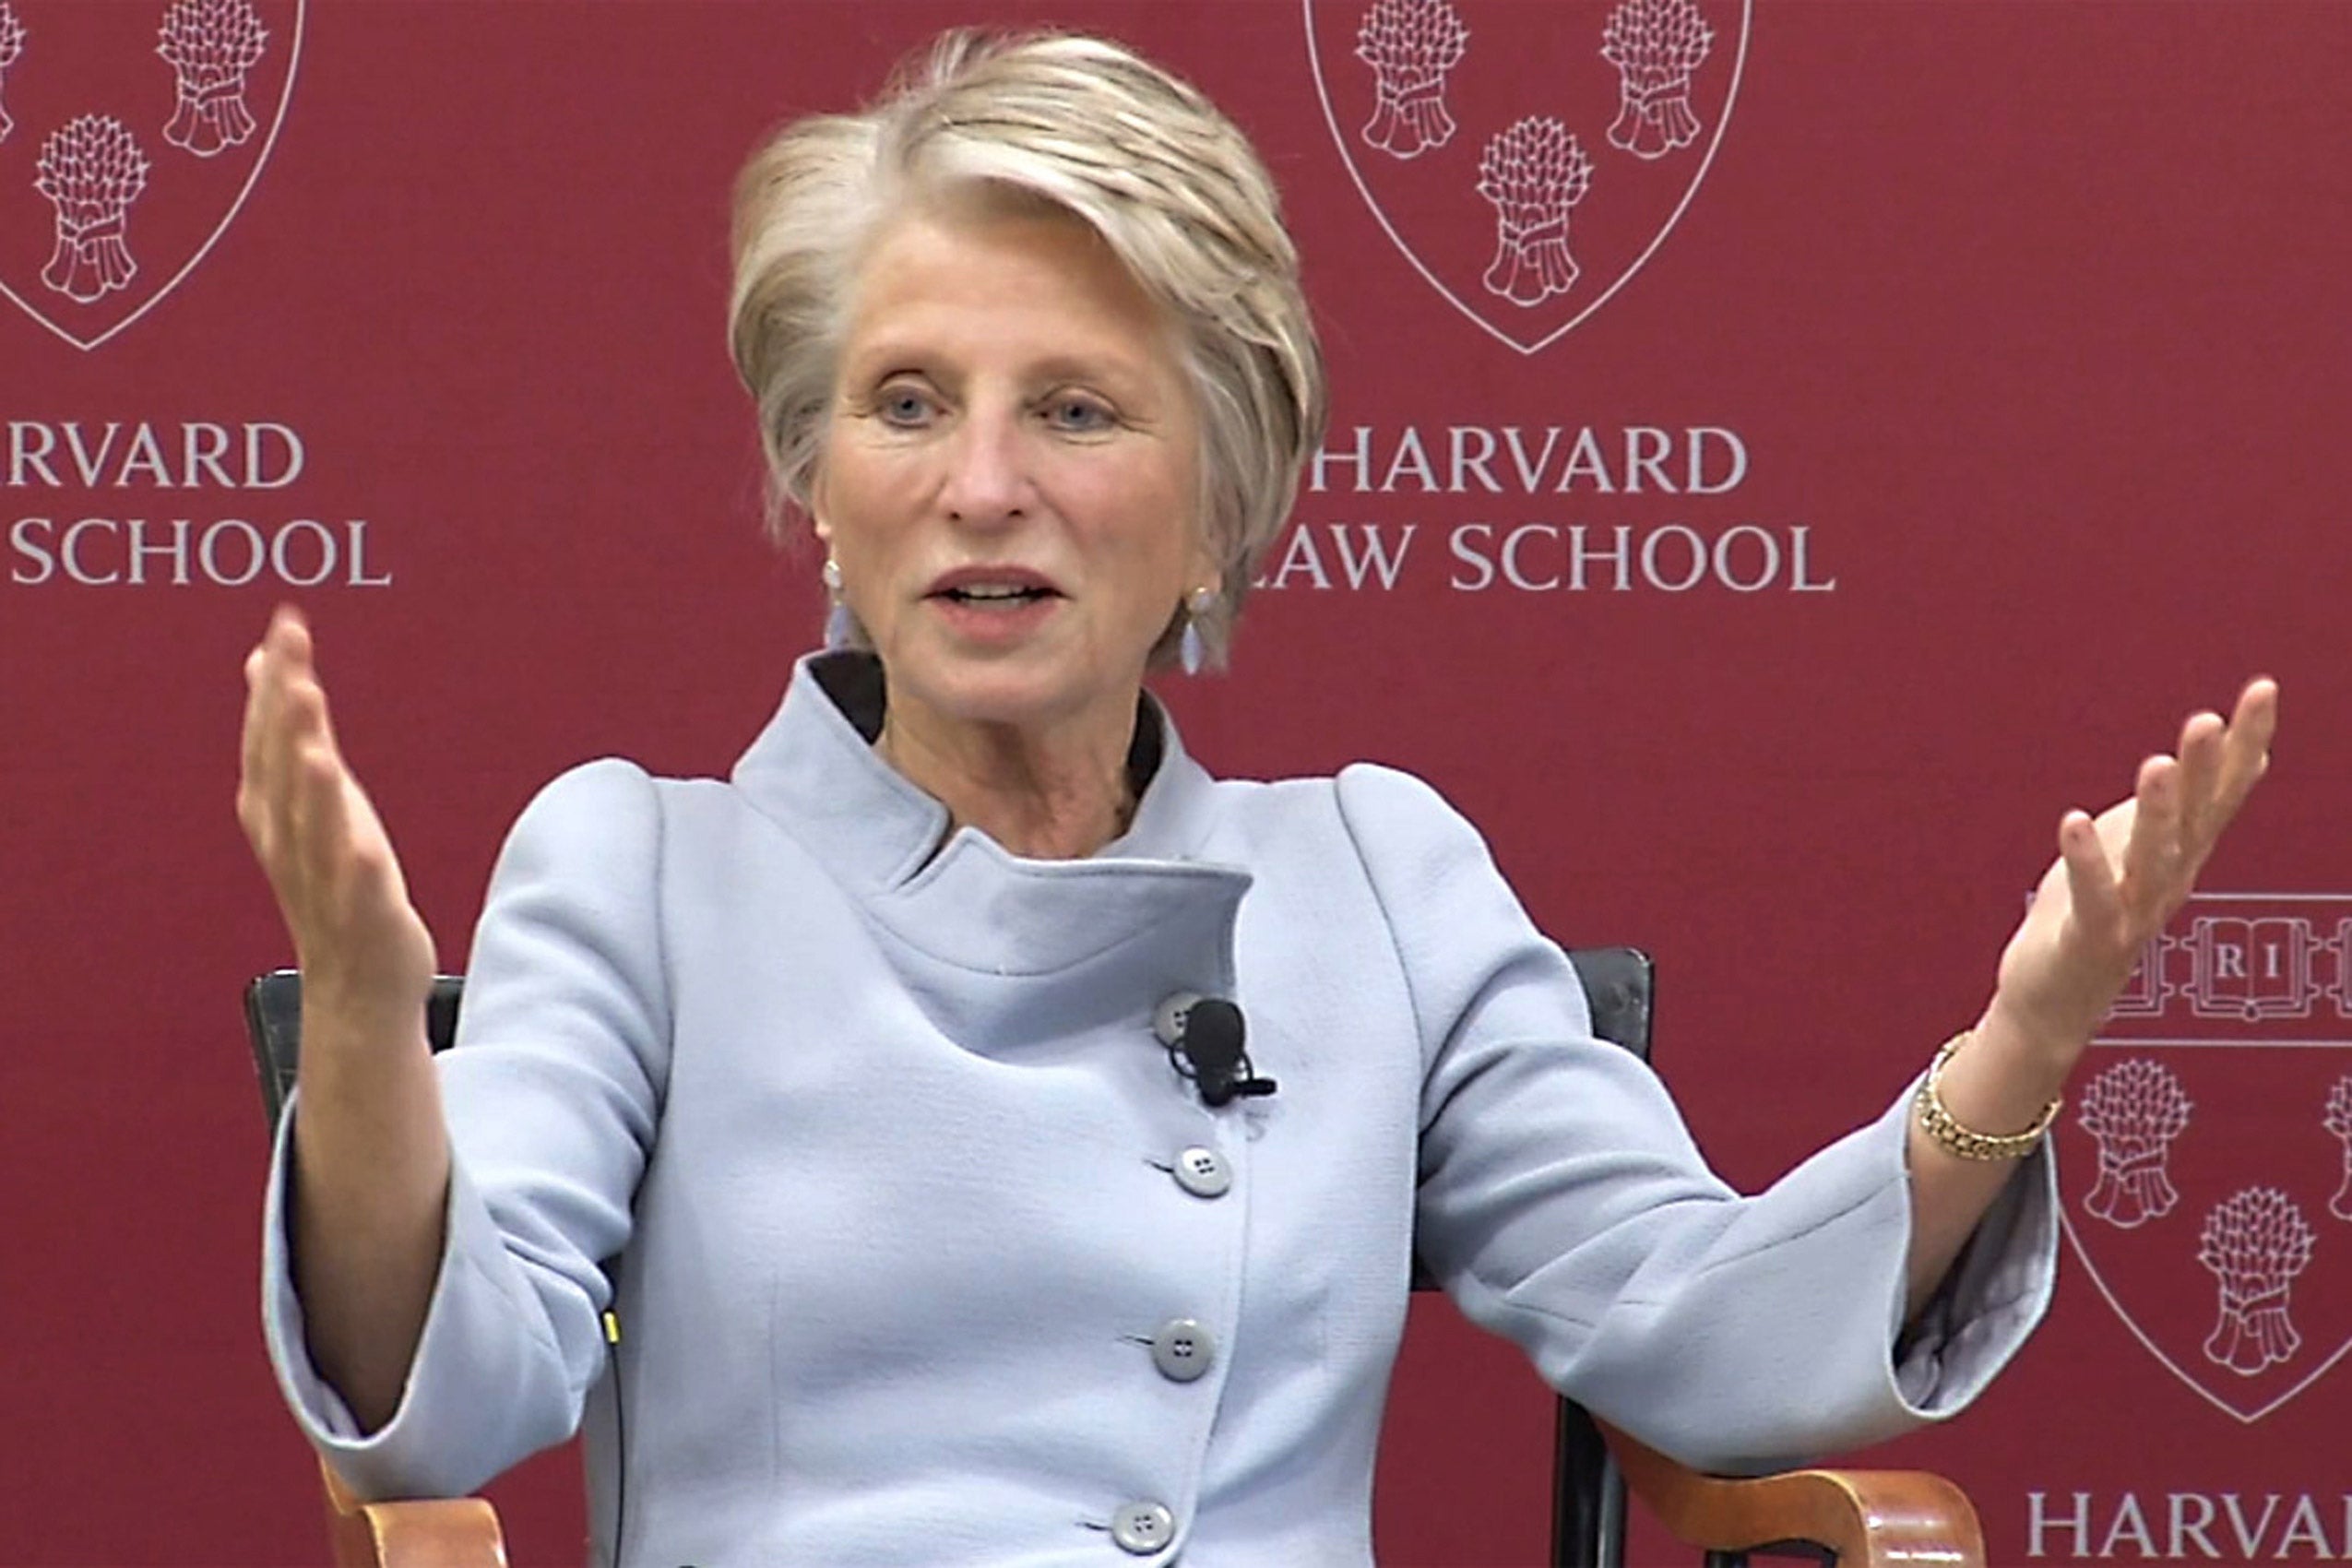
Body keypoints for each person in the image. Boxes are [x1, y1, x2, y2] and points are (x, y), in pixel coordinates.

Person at [239, 28, 2277, 1567]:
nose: (979, 486)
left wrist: (2012, 1055)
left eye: (1077, 408)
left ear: (1224, 505)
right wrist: (360, 1019)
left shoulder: (1373, 874)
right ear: (819, 497)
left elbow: (1701, 1335)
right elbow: (454, 1400)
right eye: (907, 403)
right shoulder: (644, 864)